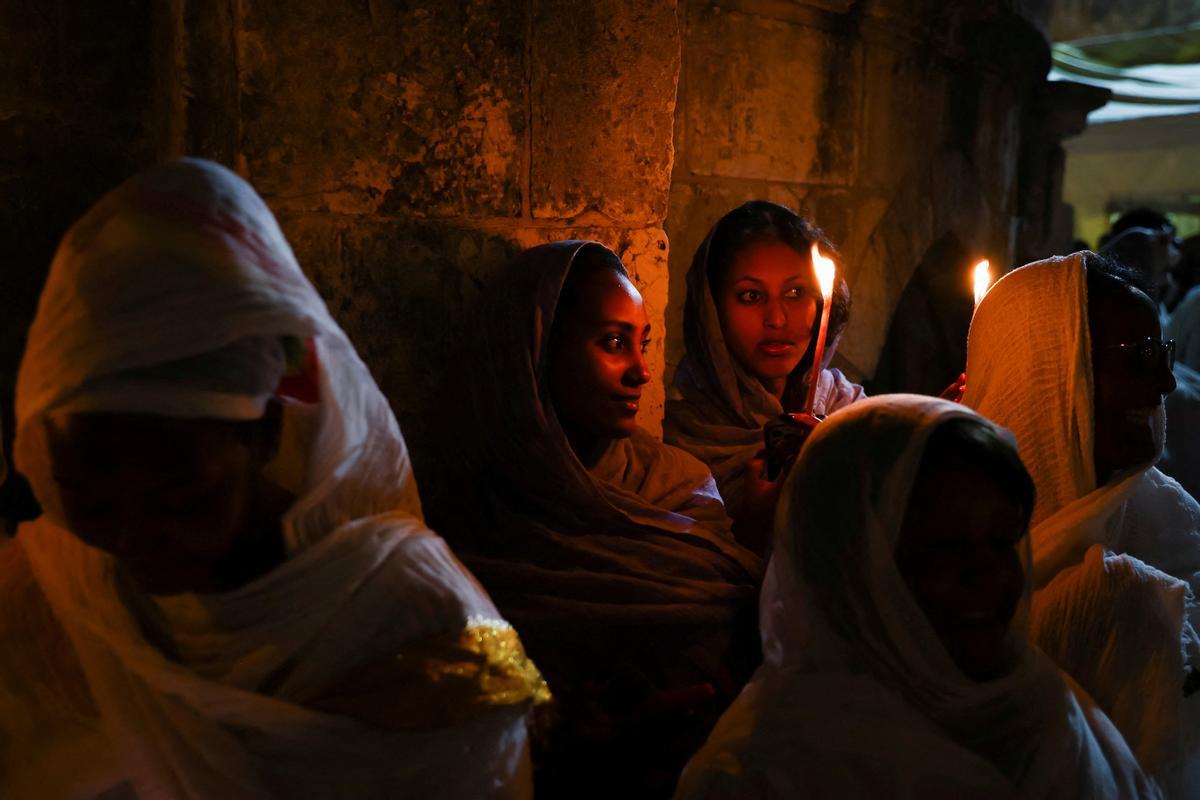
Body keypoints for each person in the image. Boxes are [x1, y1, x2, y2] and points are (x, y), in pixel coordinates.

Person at [0, 159, 548, 799]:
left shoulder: (414, 619)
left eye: (180, 496)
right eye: (88, 501)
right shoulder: (52, 594)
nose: (133, 536)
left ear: (263, 433)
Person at [676, 395, 1157, 799]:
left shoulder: (1040, 707)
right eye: (945, 546)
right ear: (850, 568)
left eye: (1002, 540)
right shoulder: (764, 772)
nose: (985, 573)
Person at [426, 240, 762, 797]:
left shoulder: (678, 485)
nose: (641, 373)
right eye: (613, 343)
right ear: (537, 351)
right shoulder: (473, 521)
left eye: (644, 345)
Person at [964, 251, 1200, 794]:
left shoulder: (1169, 522)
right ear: (1048, 371)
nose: (1166, 381)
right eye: (1139, 357)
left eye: (1161, 351)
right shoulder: (955, 564)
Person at [664, 201, 864, 554]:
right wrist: (755, 520)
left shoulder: (847, 411)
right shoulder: (681, 442)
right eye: (751, 296)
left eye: (795, 293)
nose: (777, 319)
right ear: (712, 310)